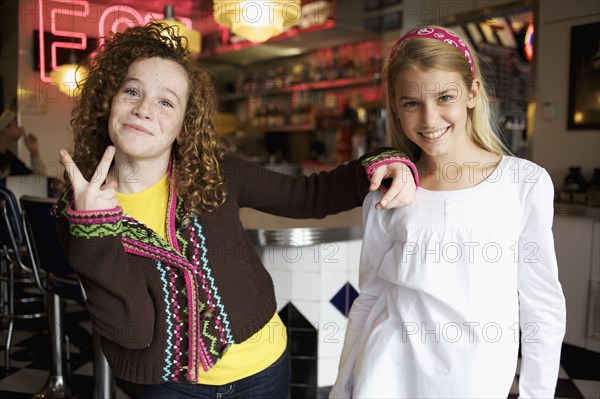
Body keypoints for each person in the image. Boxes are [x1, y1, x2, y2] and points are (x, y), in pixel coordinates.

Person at [53, 22, 417, 398]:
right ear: (109, 102)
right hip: (169, 387)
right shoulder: (79, 213)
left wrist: (381, 163)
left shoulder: (220, 175)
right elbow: (133, 330)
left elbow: (310, 195)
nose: (144, 109)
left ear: (183, 126)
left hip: (264, 369)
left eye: (166, 101)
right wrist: (94, 230)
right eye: (131, 91)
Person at [330, 26, 566, 398]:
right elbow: (369, 296)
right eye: (411, 103)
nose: (429, 119)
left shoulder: (524, 183)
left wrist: (537, 393)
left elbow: (542, 308)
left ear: (472, 93)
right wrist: (342, 387)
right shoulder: (388, 190)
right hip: (384, 372)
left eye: (444, 97)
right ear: (395, 105)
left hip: (475, 379)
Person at [0, 107, 44, 186]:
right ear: (4, 128)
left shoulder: (9, 157)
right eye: (16, 124)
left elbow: (40, 181)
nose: (21, 128)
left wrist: (34, 152)